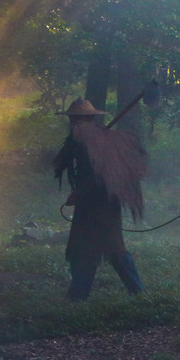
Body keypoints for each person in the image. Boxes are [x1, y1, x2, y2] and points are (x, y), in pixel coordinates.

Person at [53, 97, 147, 300]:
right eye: (73, 117)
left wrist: (80, 194)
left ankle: (136, 292)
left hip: (100, 205)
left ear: (82, 118)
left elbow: (95, 175)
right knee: (87, 251)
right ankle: (78, 296)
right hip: (94, 206)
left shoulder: (100, 140)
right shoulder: (86, 140)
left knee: (112, 251)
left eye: (75, 117)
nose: (73, 121)